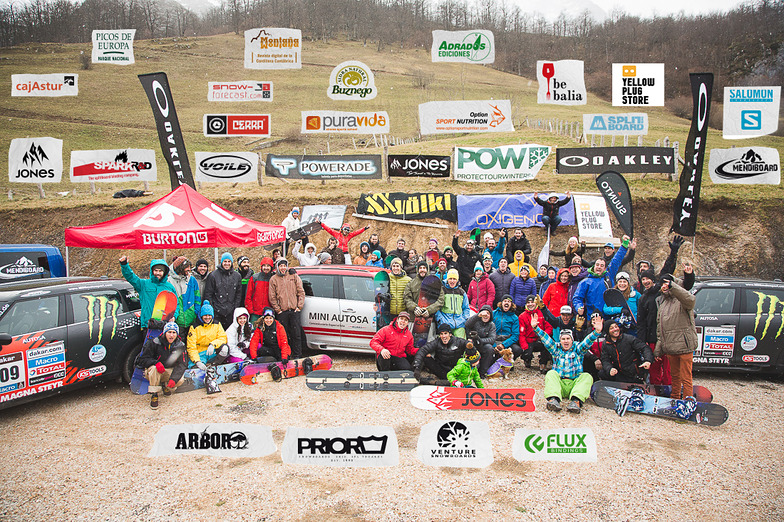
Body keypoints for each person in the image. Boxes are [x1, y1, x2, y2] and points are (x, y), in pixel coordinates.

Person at [533, 312, 604, 413]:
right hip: (560, 384)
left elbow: (587, 342)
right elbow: (546, 339)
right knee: (551, 373)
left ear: (572, 340)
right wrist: (536, 327)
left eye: (568, 339)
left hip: (574, 384)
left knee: (587, 376)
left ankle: (576, 402)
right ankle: (553, 400)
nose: (565, 341)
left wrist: (597, 331)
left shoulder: (578, 348)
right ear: (560, 340)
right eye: (563, 339)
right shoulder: (556, 349)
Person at [655, 265, 698, 399]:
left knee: (686, 378)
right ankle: (674, 399)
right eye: (662, 284)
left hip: (684, 346)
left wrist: (673, 286)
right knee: (675, 378)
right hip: (671, 348)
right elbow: (660, 328)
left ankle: (687, 402)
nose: (664, 286)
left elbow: (690, 300)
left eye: (666, 283)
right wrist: (658, 349)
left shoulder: (682, 299)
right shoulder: (663, 302)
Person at [573, 235, 630, 318]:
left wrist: (624, 245)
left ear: (604, 268)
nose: (599, 267)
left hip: (609, 316)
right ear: (594, 266)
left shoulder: (608, 276)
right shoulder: (585, 282)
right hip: (592, 317)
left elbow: (616, 260)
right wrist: (579, 307)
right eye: (597, 265)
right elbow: (577, 297)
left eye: (602, 266)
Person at [119, 256, 179, 333]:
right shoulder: (143, 284)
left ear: (164, 272)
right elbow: (131, 277)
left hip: (165, 326)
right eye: (155, 270)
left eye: (160, 271)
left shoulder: (169, 287)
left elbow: (176, 304)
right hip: (148, 325)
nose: (157, 273)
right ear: (152, 271)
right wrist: (124, 265)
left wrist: (174, 316)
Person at [137, 322, 188, 409]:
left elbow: (182, 364)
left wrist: (173, 379)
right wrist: (155, 362)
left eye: (174, 332)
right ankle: (154, 394)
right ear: (165, 333)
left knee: (180, 380)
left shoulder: (180, 346)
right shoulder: (154, 342)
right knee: (154, 369)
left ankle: (165, 385)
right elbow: (142, 360)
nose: (171, 335)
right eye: (169, 332)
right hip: (154, 371)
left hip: (167, 370)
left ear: (177, 334)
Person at [268, 258, 306, 359]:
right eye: (281, 266)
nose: (283, 268)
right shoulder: (274, 279)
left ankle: (298, 355)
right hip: (282, 312)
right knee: (284, 335)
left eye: (284, 265)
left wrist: (299, 306)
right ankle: (286, 355)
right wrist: (278, 310)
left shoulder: (293, 276)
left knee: (296, 334)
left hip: (294, 310)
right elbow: (272, 297)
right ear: (277, 267)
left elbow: (301, 292)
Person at [248, 307, 292, 380]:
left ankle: (278, 362)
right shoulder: (260, 328)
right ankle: (269, 362)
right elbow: (254, 341)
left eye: (270, 318)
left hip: (279, 349)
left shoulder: (279, 327)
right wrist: (253, 356)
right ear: (263, 319)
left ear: (273, 318)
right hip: (269, 349)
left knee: (282, 359)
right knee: (261, 351)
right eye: (266, 318)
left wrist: (284, 356)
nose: (268, 320)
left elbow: (284, 342)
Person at [202, 252, 242, 330]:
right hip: (217, 312)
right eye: (225, 261)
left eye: (229, 261)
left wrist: (235, 308)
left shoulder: (237, 276)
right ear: (221, 262)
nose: (227, 263)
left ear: (232, 263)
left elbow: (238, 294)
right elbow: (208, 294)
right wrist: (211, 309)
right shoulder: (213, 275)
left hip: (231, 312)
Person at [186, 301, 229, 369]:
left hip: (213, 352)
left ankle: (215, 365)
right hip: (200, 354)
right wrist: (197, 361)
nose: (207, 317)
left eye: (209, 315)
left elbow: (223, 338)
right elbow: (191, 347)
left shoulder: (217, 324)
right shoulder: (194, 328)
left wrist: (213, 344)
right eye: (205, 315)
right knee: (197, 367)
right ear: (201, 315)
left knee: (225, 348)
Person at [518, 295, 552, 372]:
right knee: (527, 352)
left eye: (532, 302)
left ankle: (543, 362)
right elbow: (521, 333)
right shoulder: (522, 316)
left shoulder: (542, 313)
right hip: (529, 341)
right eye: (528, 302)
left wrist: (544, 336)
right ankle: (527, 359)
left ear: (536, 303)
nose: (530, 304)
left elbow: (549, 327)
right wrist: (524, 346)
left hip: (540, 339)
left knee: (547, 344)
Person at [435, 269, 471, 338]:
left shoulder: (462, 292)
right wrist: (441, 320)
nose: (452, 281)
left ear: (457, 280)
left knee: (462, 343)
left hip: (459, 324)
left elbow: (466, 308)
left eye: (454, 279)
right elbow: (436, 307)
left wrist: (464, 319)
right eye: (450, 279)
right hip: (445, 323)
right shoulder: (442, 290)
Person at [603, 271, 640, 336]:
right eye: (620, 282)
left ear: (628, 283)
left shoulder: (635, 295)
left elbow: (641, 308)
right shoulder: (612, 295)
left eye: (624, 282)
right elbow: (605, 309)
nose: (622, 284)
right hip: (618, 326)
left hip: (633, 326)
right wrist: (620, 309)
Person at [464, 305, 497, 377]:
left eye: (488, 313)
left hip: (483, 345)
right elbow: (467, 324)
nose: (486, 315)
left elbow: (492, 339)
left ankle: (482, 372)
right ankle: (471, 372)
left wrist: (479, 339)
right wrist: (478, 315)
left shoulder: (491, 325)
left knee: (489, 348)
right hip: (473, 345)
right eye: (484, 313)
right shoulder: (475, 321)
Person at [245, 257, 274, 324]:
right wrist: (250, 310)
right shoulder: (255, 278)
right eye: (264, 266)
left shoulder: (273, 278)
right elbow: (248, 295)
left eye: (268, 266)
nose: (266, 268)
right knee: (254, 332)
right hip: (255, 312)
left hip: (268, 313)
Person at [493, 295, 521, 361]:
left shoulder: (514, 318)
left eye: (509, 301)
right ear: (501, 303)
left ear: (511, 304)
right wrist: (494, 345)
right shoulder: (493, 313)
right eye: (505, 301)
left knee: (517, 350)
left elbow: (515, 335)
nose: (506, 303)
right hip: (495, 339)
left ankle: (508, 360)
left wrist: (504, 345)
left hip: (507, 341)